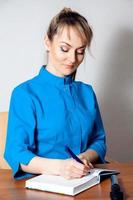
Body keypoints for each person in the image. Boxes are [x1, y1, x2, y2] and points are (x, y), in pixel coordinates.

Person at [4, 7, 106, 180]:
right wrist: (60, 167)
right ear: (47, 42)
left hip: (85, 180)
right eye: (65, 49)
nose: (73, 59)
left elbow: (99, 141)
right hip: (42, 184)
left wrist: (84, 158)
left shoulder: (87, 92)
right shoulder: (24, 93)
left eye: (80, 51)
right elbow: (16, 153)